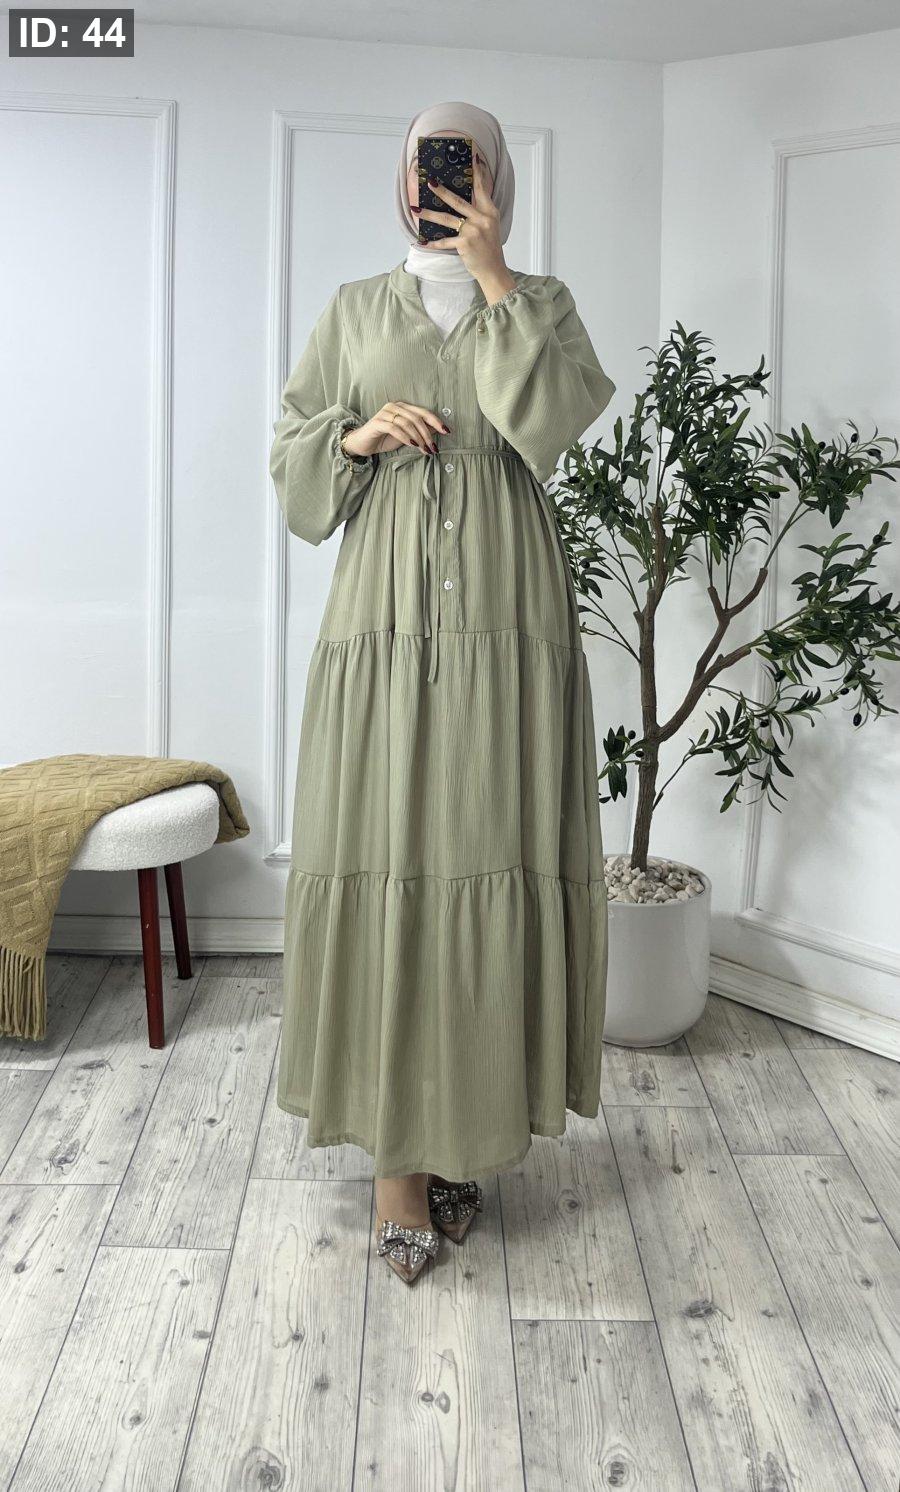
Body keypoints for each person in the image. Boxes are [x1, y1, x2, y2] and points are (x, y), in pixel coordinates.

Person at [269, 100, 616, 1285]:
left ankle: (463, 1129)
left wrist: (496, 274)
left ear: (498, 178)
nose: (443, 180)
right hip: (384, 616)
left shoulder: (542, 300)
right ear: (401, 178)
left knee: (490, 847)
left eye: (464, 164)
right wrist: (356, 437)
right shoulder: (353, 310)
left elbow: (553, 424)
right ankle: (397, 1166)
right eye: (428, 163)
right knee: (389, 858)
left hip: (510, 617)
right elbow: (291, 462)